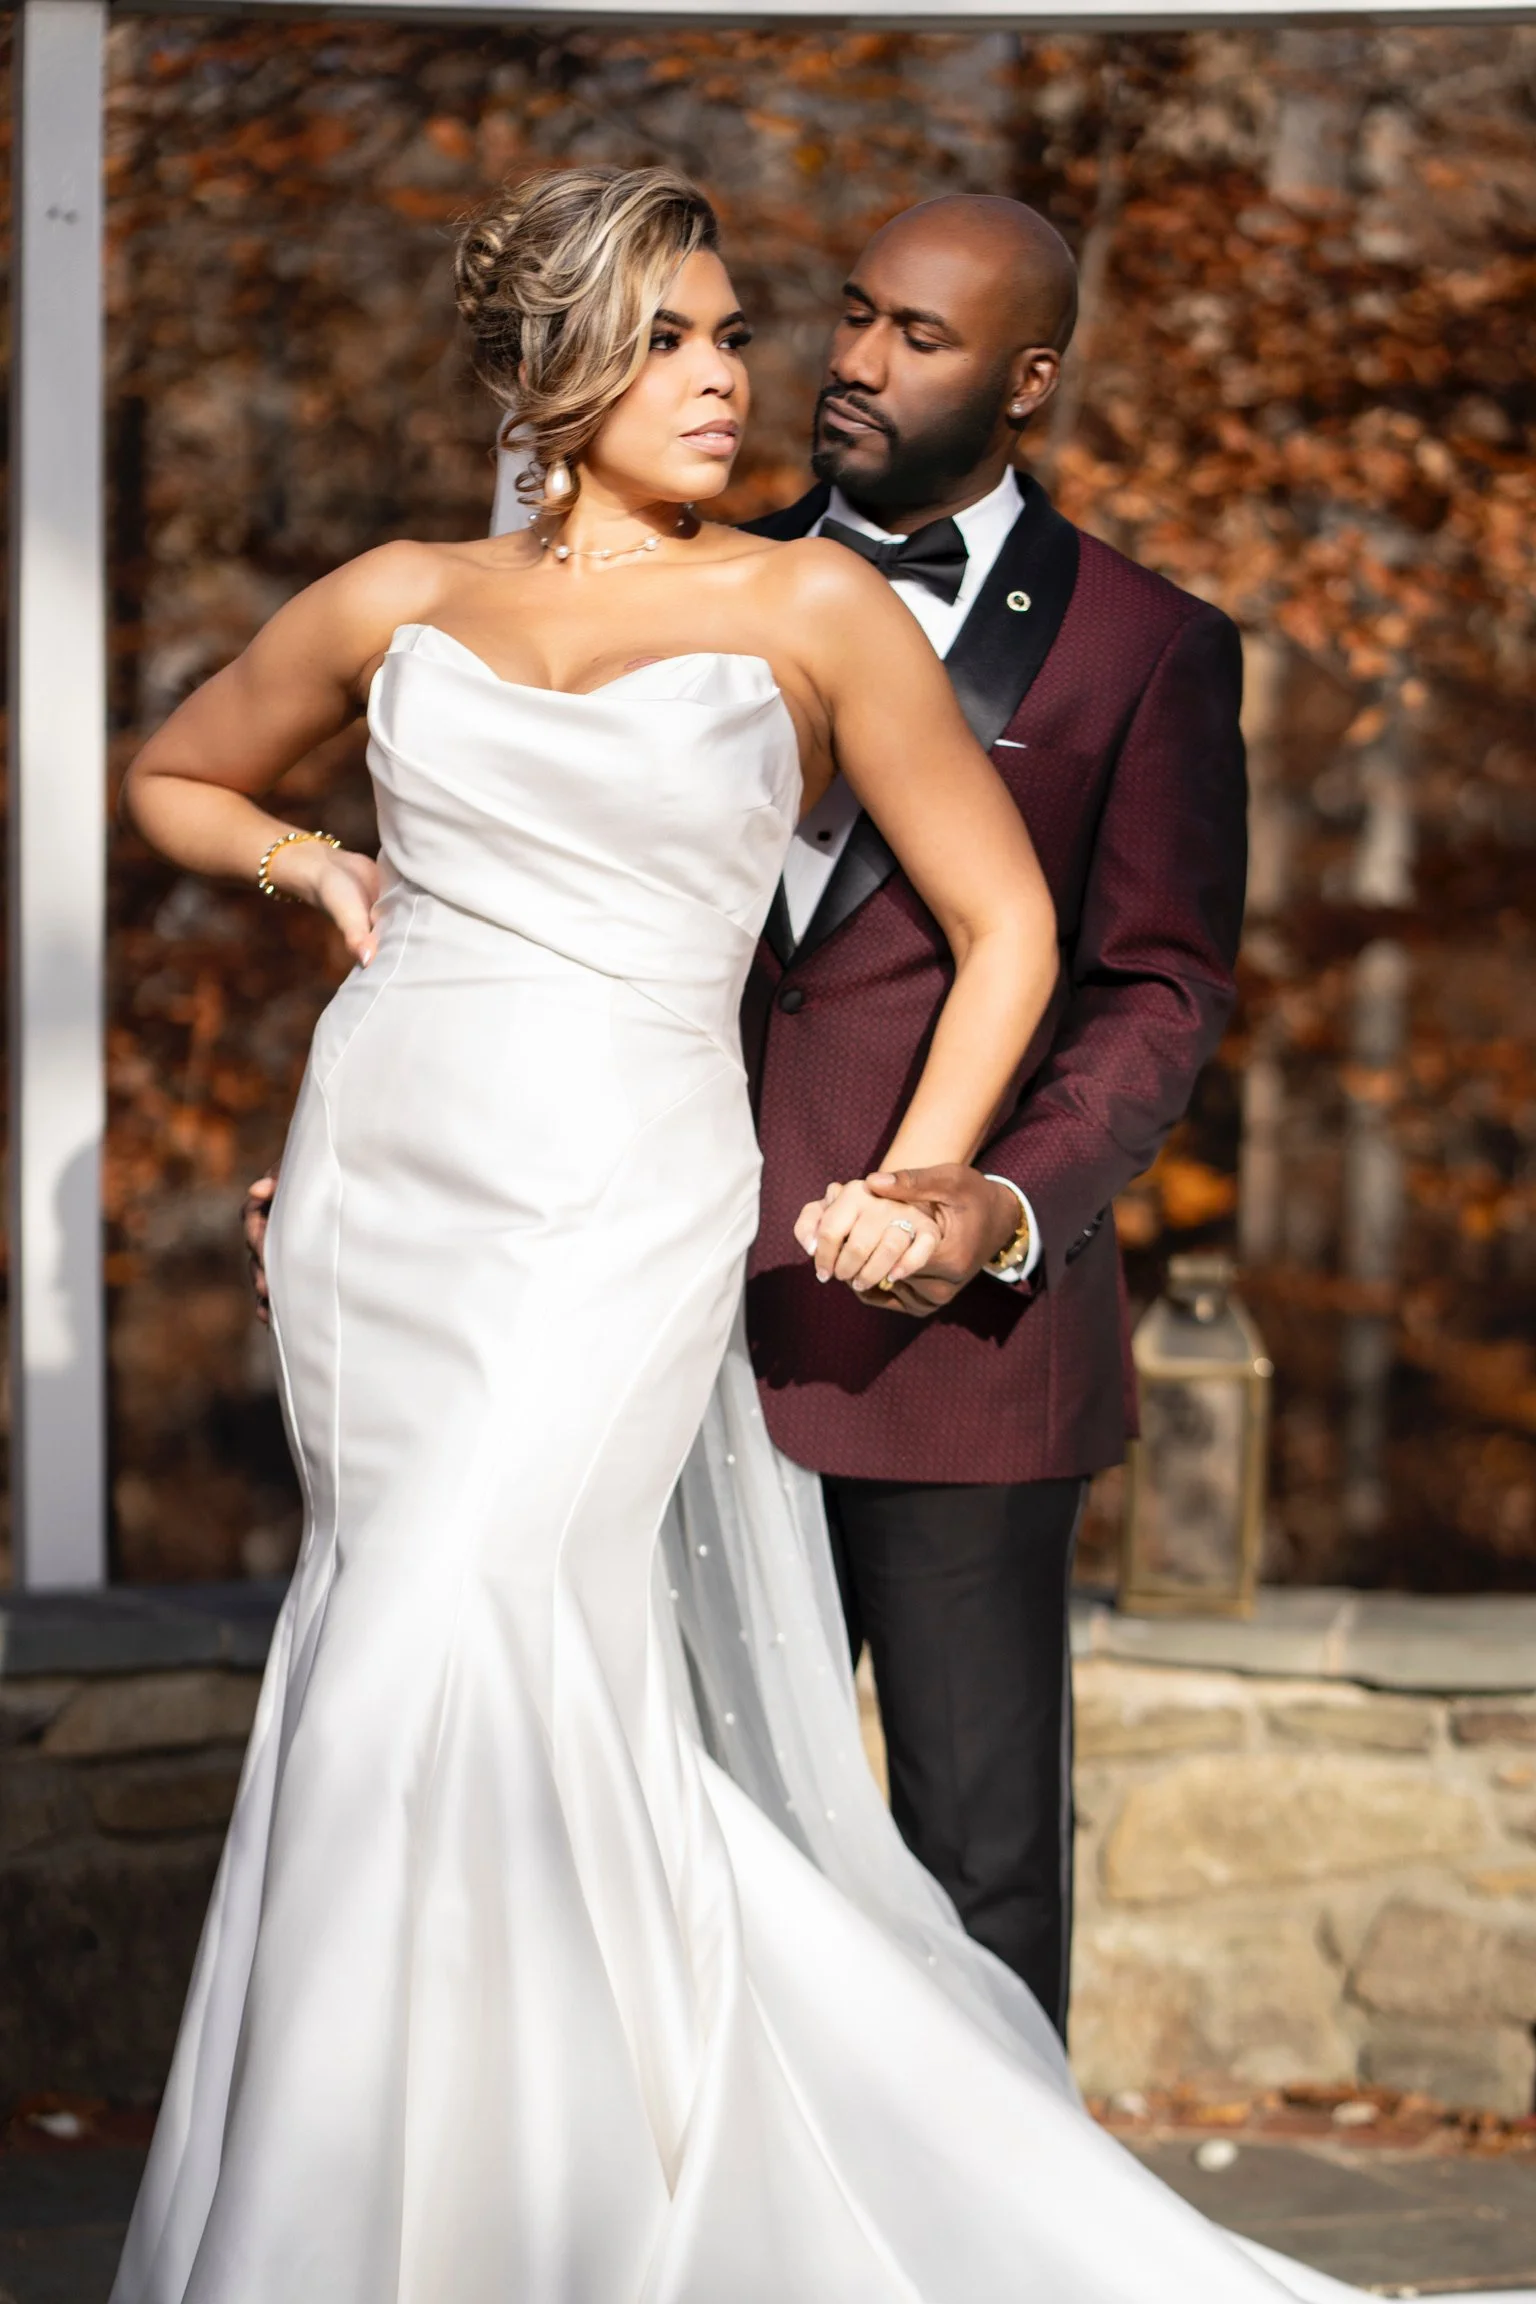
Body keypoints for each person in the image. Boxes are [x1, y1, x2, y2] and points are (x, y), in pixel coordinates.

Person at [118, 167, 1519, 2304]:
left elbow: (1032, 933)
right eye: (687, 335)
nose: (748, 375)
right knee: (394, 1640)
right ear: (560, 356)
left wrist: (945, 1178)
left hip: (635, 1203)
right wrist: (322, 874)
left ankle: (623, 2195)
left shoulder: (824, 615)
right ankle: (433, 2192)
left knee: (472, 1632)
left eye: (735, 336)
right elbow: (181, 776)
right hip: (385, 1198)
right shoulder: (404, 588)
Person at [739, 193, 1250, 2033]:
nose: (856, 362)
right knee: (703, 1843)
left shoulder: (1145, 646)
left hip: (964, 1345)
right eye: (853, 315)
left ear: (1030, 379)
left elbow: (1161, 988)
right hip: (682, 1322)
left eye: (920, 337)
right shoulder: (698, 586)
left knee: (975, 1865)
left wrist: (998, 1206)